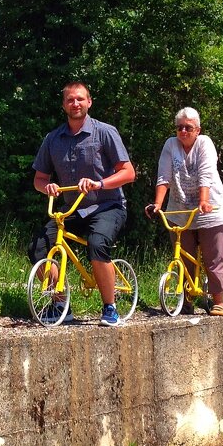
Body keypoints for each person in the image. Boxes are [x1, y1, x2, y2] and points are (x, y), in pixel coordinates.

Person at [28, 81, 136, 326]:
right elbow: (39, 178)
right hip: (73, 209)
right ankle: (60, 304)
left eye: (80, 99)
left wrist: (99, 184)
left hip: (108, 205)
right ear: (63, 105)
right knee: (38, 247)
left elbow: (128, 173)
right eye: (70, 100)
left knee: (97, 245)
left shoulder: (105, 132)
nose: (75, 104)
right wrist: (48, 187)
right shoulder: (53, 138)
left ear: (89, 102)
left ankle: (110, 306)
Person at [147, 107, 223, 316]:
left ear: (198, 130)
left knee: (214, 258)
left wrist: (203, 201)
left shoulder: (205, 143)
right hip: (180, 210)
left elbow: (206, 173)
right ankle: (186, 300)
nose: (183, 131)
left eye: (188, 128)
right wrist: (158, 204)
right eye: (179, 127)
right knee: (184, 256)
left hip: (210, 209)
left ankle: (218, 301)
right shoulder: (170, 145)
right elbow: (163, 176)